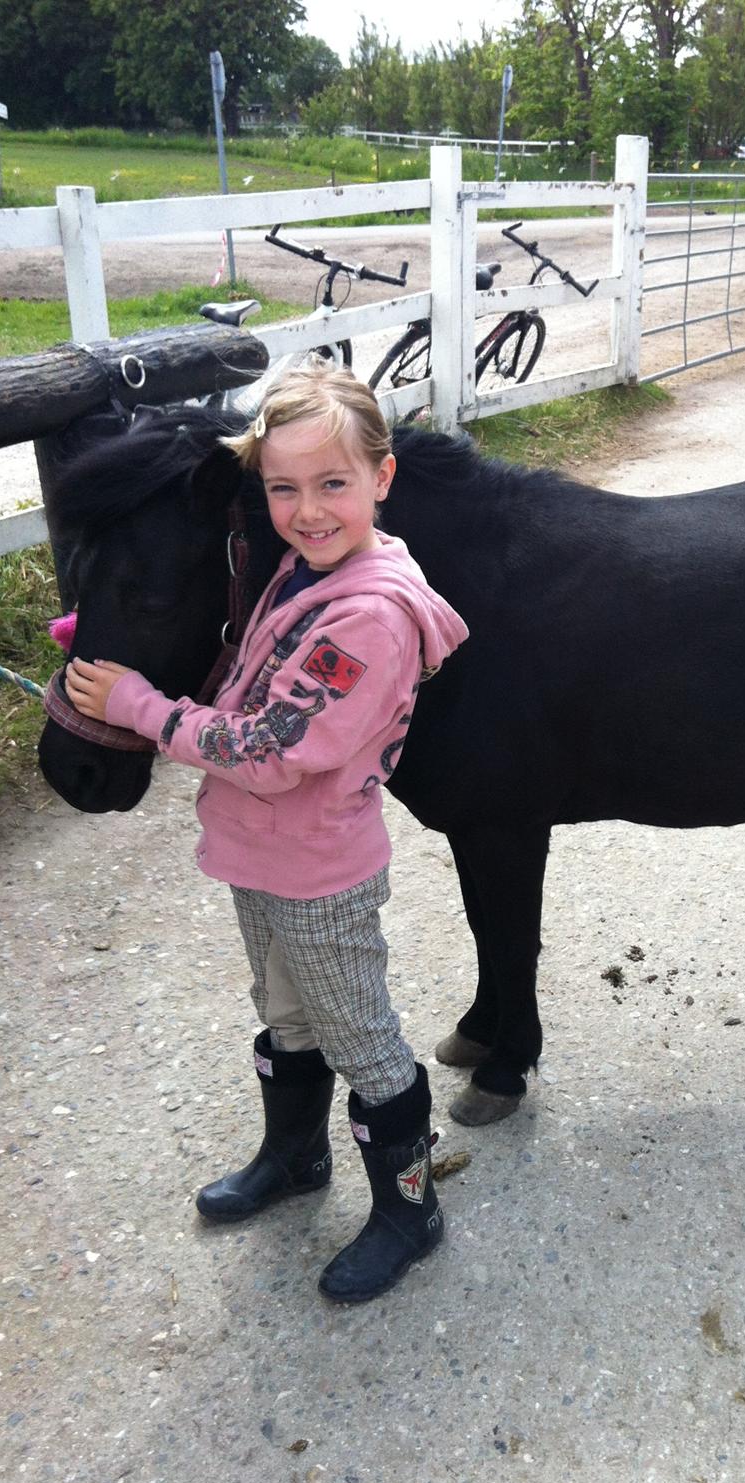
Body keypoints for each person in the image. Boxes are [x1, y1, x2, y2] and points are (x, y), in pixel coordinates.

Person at [65, 363, 469, 1304]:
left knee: (362, 1039)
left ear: (383, 478)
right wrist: (111, 636)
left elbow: (269, 748)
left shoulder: (367, 615)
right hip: (259, 857)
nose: (308, 510)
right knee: (285, 1016)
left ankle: (410, 1211)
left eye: (333, 484)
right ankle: (295, 1159)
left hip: (320, 873)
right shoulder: (302, 568)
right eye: (283, 488)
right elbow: (249, 663)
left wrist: (140, 705)